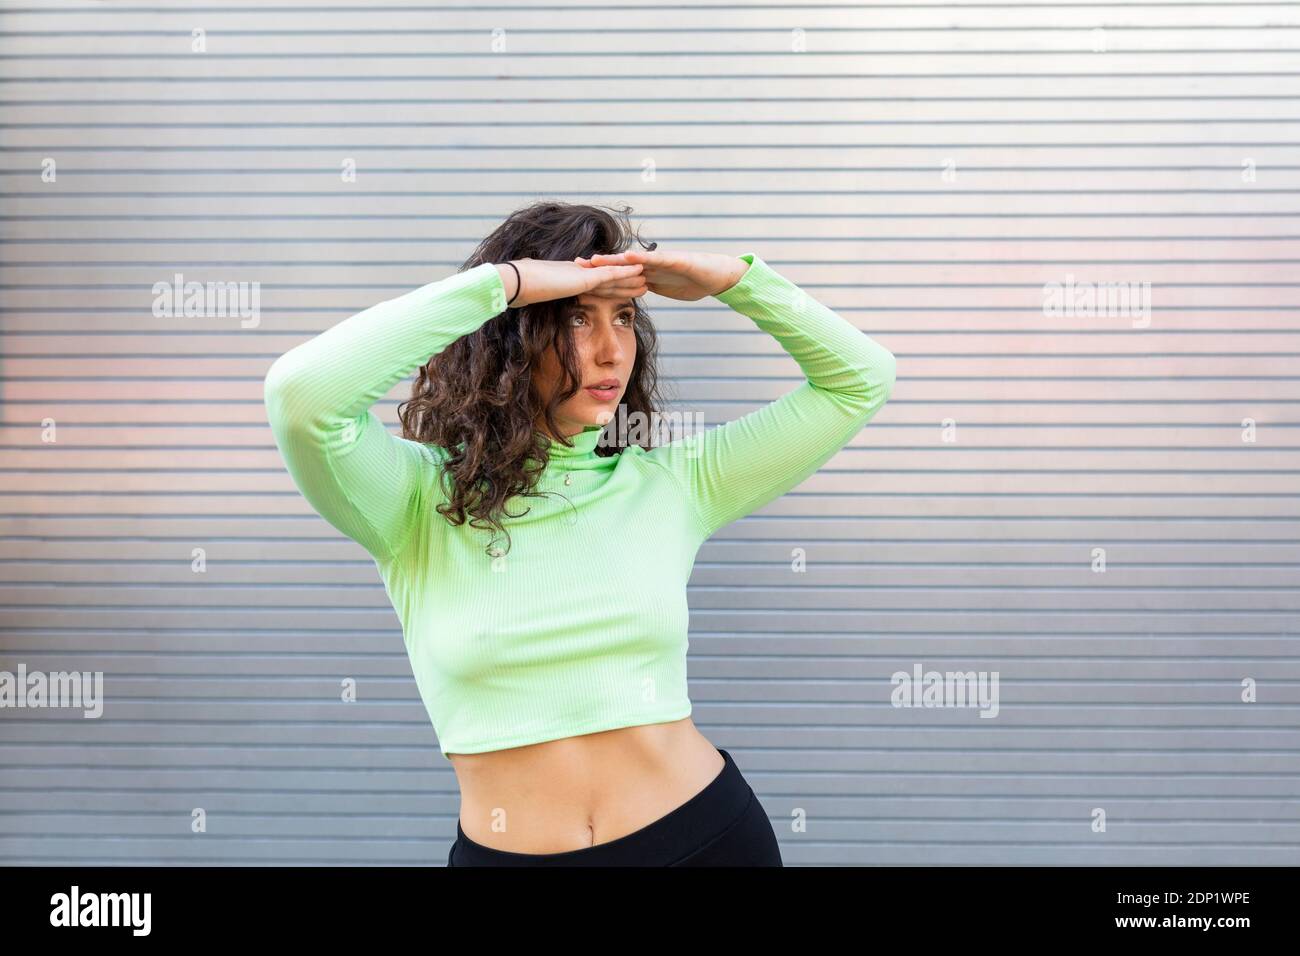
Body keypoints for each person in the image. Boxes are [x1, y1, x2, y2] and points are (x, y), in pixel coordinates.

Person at [263, 201, 896, 865]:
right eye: (575, 318)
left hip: (703, 839)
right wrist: (505, 284)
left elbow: (860, 379)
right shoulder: (414, 501)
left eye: (623, 317)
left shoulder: (675, 482)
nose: (610, 349)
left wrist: (737, 282)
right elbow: (302, 396)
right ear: (513, 336)